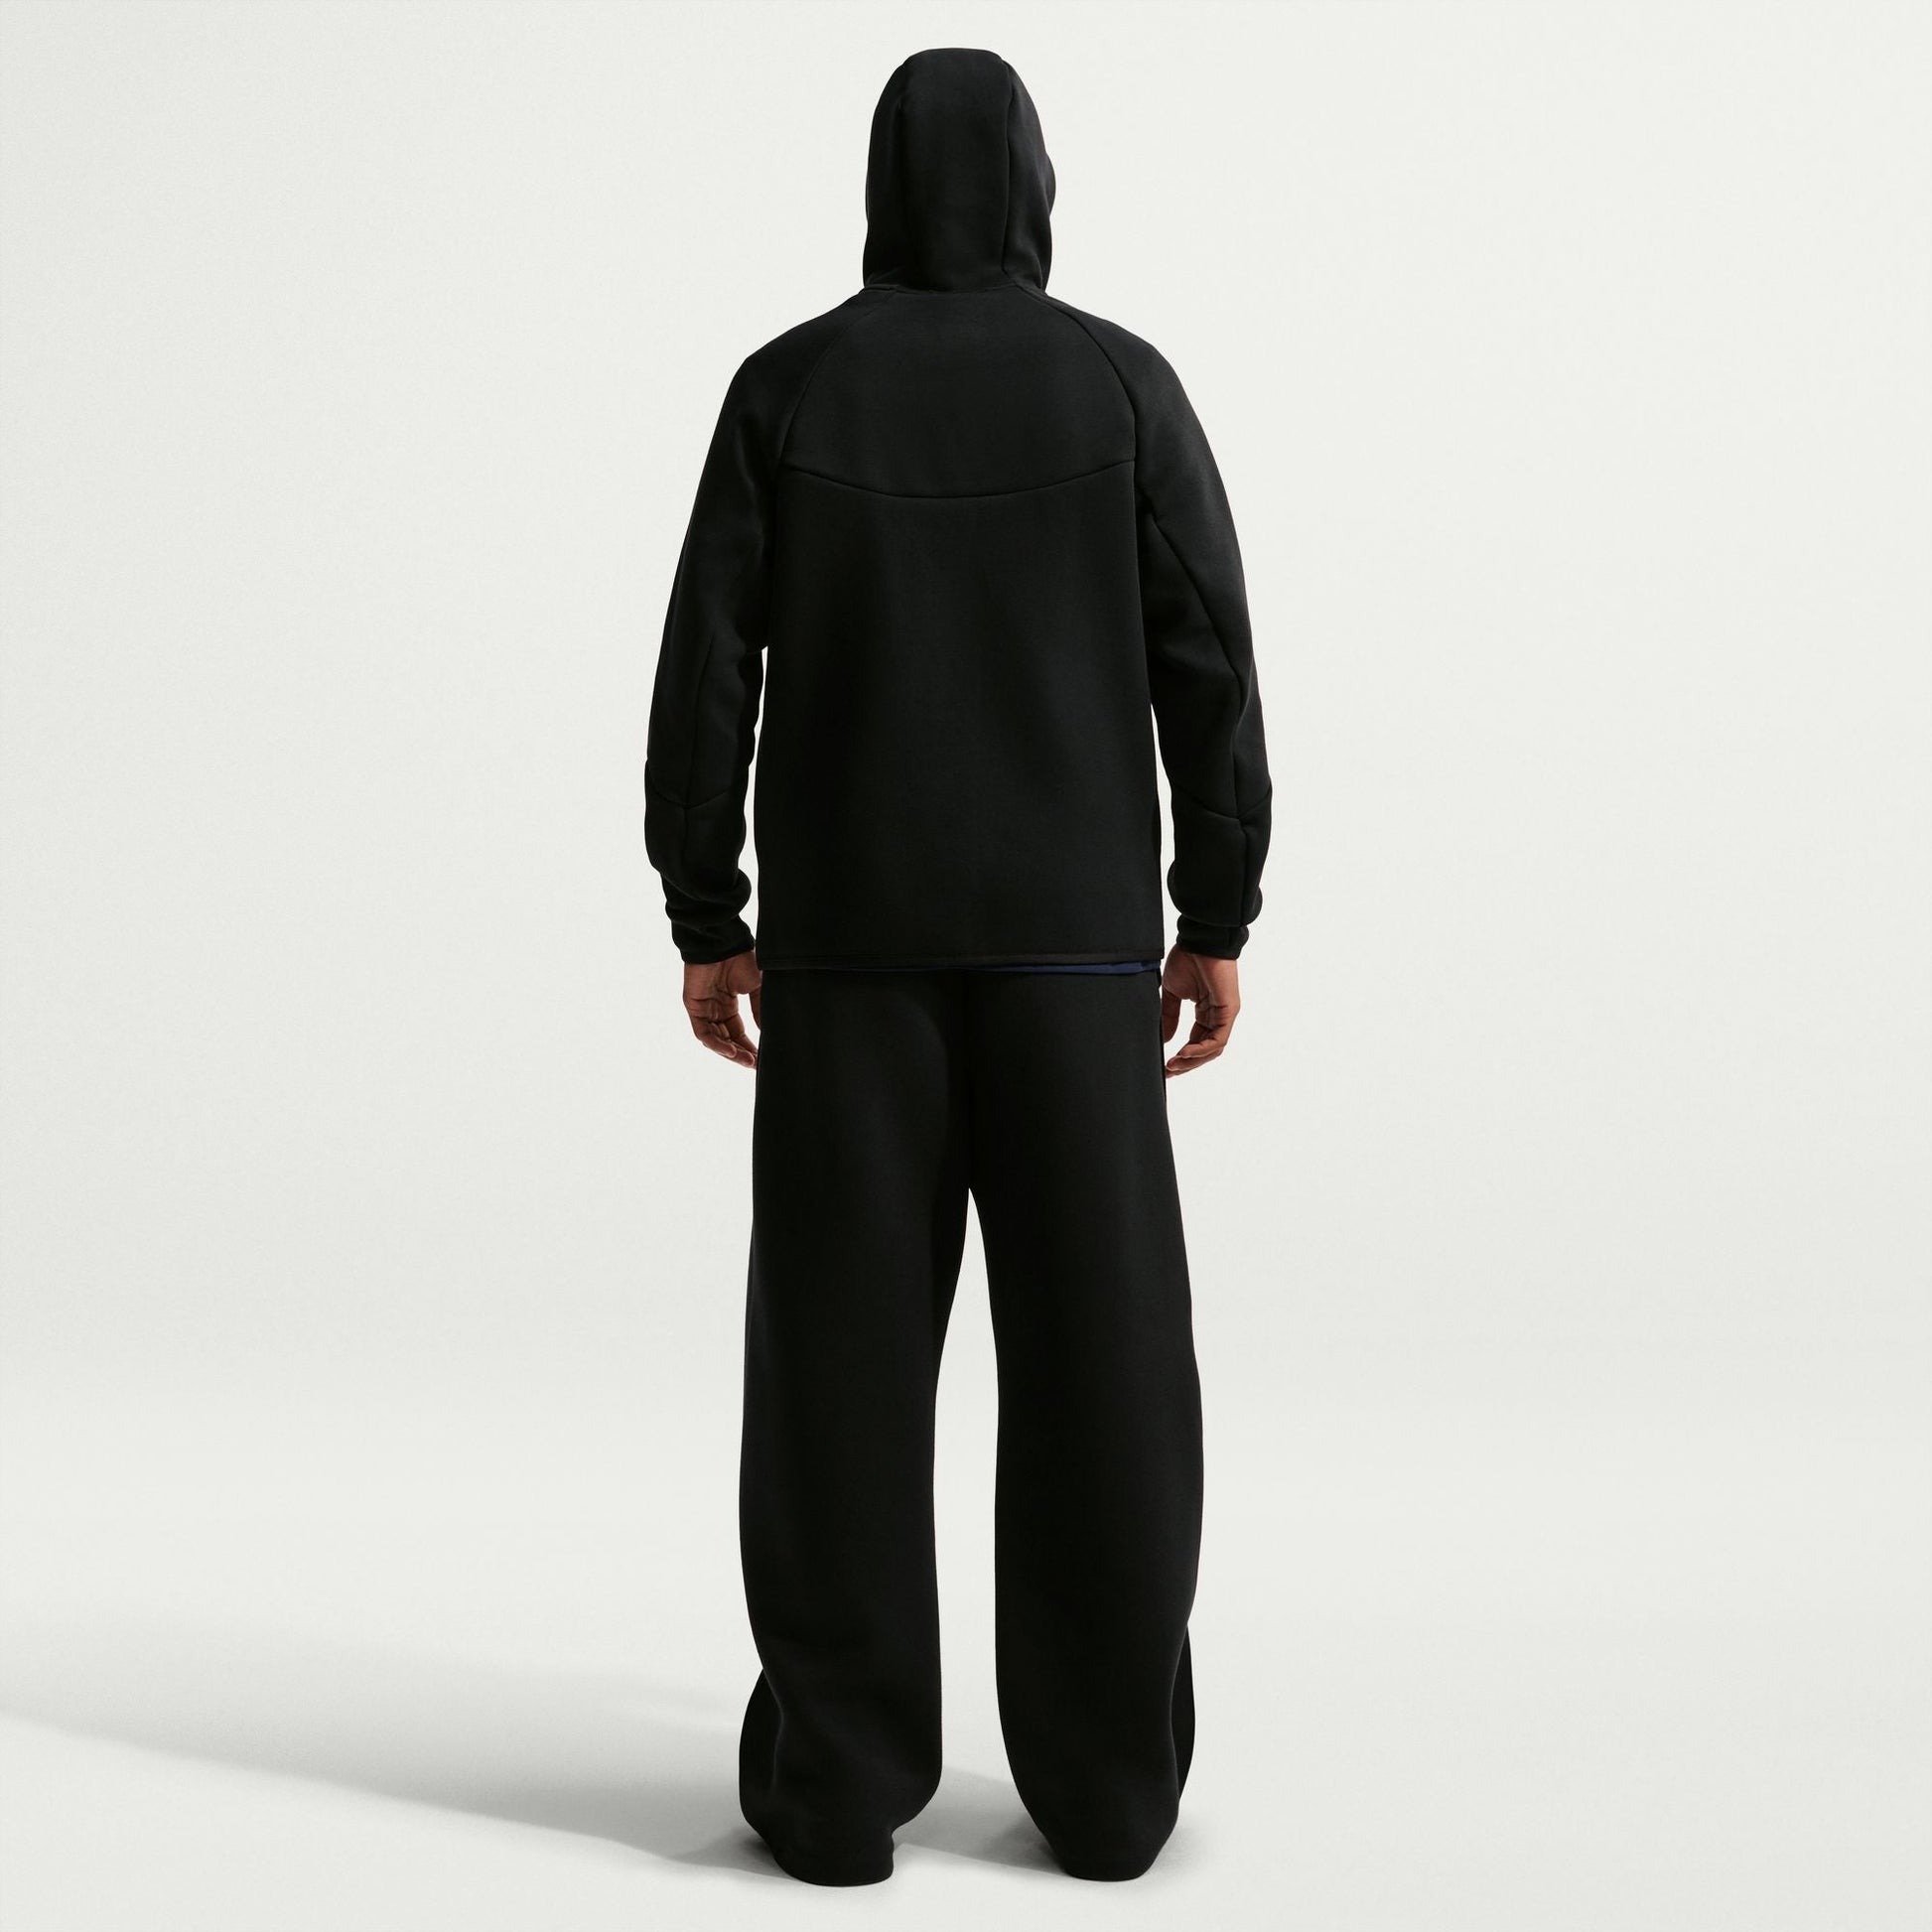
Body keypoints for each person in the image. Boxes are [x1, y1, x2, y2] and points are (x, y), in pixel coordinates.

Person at [644, 46, 1271, 1886]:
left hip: (847, 964)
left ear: (879, 183)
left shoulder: (789, 386)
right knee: (1106, 1370)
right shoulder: (1118, 384)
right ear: (1032, 185)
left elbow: (706, 664)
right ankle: (1107, 1793)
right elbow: (1209, 657)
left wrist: (709, 912)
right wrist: (1215, 909)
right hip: (1079, 963)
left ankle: (836, 1790)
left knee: (834, 1377)